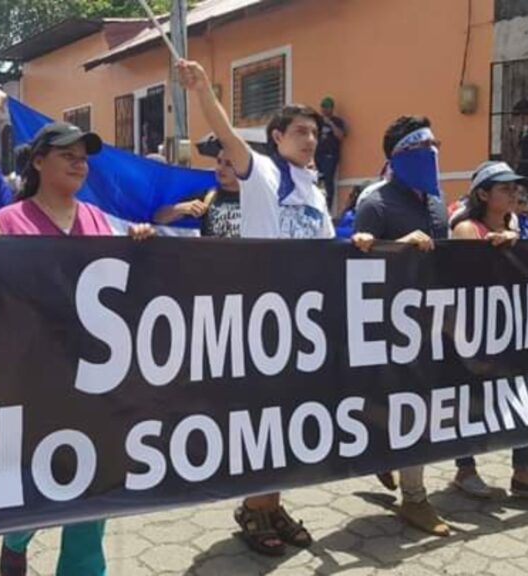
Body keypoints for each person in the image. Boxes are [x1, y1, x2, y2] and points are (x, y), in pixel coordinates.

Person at [177, 57, 370, 557]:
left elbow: (326, 249)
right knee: (264, 422)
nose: (311, 140)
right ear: (278, 137)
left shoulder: (314, 187)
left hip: (305, 325)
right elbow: (226, 133)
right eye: (301, 131)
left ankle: (271, 503)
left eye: (316, 133)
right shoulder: (261, 172)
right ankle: (253, 509)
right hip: (263, 322)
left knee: (287, 424)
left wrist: (358, 240)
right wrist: (203, 91)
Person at [0, 121, 153, 576]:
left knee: (94, 486)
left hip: (95, 380)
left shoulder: (99, 220)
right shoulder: (8, 222)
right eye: (66, 153)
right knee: (36, 478)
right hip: (34, 382)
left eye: (83, 156)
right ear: (38, 161)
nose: (78, 162)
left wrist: (141, 245)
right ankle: (17, 538)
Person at [448, 161, 528, 503]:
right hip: (474, 331)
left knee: (525, 395)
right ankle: (466, 469)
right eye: (504, 188)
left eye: (514, 187)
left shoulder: (520, 226)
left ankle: (524, 475)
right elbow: (462, 274)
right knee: (470, 400)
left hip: (516, 330)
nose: (514, 193)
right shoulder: (466, 229)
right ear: (483, 194)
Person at [353, 116, 451, 536]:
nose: (433, 153)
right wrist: (397, 249)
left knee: (419, 407)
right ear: (398, 156)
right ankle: (413, 497)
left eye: (435, 144)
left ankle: (403, 478)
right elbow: (358, 265)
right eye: (422, 147)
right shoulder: (375, 202)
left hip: (432, 321)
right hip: (389, 324)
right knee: (404, 406)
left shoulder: (436, 201)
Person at [154, 134, 242, 238]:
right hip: (210, 253)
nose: (220, 168)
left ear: (241, 167)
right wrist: (181, 208)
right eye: (219, 162)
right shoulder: (208, 195)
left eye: (228, 164)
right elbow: (158, 218)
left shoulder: (254, 198)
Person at [316, 96, 347, 215]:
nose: (324, 110)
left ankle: (328, 210)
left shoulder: (337, 121)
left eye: (327, 107)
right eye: (323, 107)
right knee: (316, 180)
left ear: (332, 108)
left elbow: (341, 136)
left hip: (330, 155)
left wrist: (330, 123)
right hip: (317, 155)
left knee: (329, 182)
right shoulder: (317, 121)